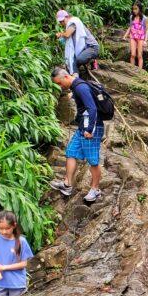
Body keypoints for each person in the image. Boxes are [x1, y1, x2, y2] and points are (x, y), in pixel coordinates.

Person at [49, 67, 106, 203]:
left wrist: (89, 129)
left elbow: (92, 108)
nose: (60, 87)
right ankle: (67, 184)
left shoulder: (81, 88)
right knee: (71, 152)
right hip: (82, 127)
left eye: (59, 83)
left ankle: (95, 189)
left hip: (91, 128)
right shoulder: (76, 86)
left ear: (66, 77)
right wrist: (73, 95)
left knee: (93, 160)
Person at [55, 10, 100, 75]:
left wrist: (60, 34)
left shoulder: (73, 22)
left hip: (92, 48)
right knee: (73, 63)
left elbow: (67, 34)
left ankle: (92, 60)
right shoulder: (70, 24)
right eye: (60, 22)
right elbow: (67, 41)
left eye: (62, 21)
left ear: (67, 17)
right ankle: (75, 77)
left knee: (79, 60)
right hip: (84, 48)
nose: (62, 23)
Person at [123, 1, 148, 68]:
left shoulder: (144, 18)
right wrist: (125, 35)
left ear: (140, 9)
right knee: (133, 54)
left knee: (139, 55)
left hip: (140, 37)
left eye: (136, 9)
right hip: (133, 37)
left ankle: (140, 72)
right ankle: (132, 69)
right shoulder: (132, 17)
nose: (134, 10)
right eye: (133, 9)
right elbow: (130, 27)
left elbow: (147, 29)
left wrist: (145, 40)